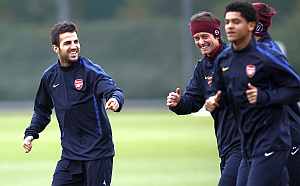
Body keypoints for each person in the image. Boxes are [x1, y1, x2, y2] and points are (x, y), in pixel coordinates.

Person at [205, 1, 300, 186]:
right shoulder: (224, 59)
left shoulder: (267, 56)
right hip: (247, 144)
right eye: (227, 22)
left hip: (272, 142)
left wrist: (264, 97)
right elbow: (217, 91)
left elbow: (295, 88)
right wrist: (213, 101)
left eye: (236, 21)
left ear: (251, 25)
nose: (230, 26)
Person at [22, 22, 124, 186]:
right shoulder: (49, 77)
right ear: (56, 48)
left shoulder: (91, 71)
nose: (74, 46)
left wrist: (115, 100)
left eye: (76, 41)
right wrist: (31, 133)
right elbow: (42, 111)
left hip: (97, 155)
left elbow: (113, 90)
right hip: (70, 156)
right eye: (67, 43)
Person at [166, 11, 241, 186]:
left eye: (204, 36)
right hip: (226, 143)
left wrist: (220, 100)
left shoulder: (235, 58)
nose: (201, 42)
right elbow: (192, 101)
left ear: (216, 34)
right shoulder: (203, 67)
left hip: (245, 141)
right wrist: (178, 103)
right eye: (196, 38)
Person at [253, 2, 300, 186]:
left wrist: (264, 97)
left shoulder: (268, 52)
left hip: (288, 134)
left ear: (255, 26)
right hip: (267, 139)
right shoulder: (248, 52)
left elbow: (295, 88)